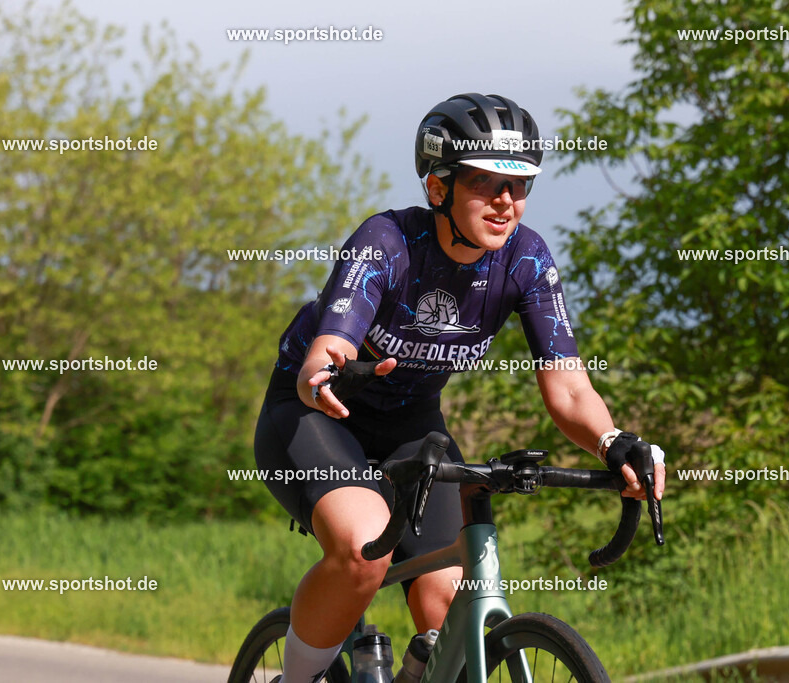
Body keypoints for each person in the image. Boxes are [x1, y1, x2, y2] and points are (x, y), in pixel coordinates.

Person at [253, 92, 667, 683]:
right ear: (439, 186)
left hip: (412, 426)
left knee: (450, 603)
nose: (506, 203)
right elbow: (332, 343)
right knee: (364, 552)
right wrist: (329, 367)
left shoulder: (526, 260)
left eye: (520, 186)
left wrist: (612, 442)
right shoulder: (387, 243)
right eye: (487, 184)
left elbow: (570, 388)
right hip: (316, 414)